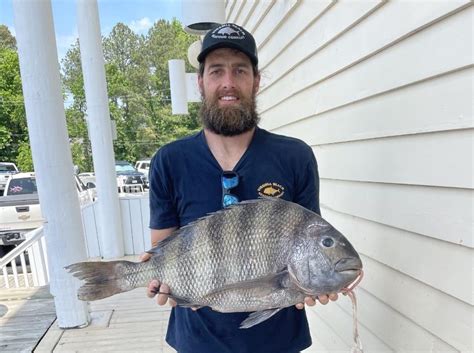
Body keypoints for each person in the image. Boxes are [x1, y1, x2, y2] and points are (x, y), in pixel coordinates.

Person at [141, 22, 338, 353]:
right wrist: (158, 278)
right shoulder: (170, 161)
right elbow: (162, 244)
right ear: (200, 83)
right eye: (216, 71)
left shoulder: (295, 156)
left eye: (240, 71)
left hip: (279, 342)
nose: (228, 83)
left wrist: (320, 278)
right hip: (196, 340)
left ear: (256, 81)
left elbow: (310, 237)